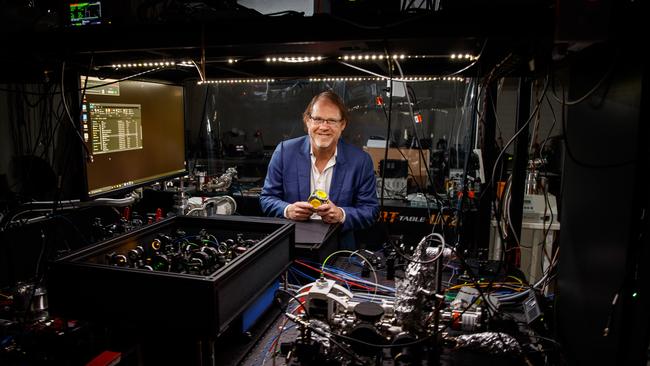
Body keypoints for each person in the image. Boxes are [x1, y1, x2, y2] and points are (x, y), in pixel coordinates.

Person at [260, 91, 379, 249]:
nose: (324, 127)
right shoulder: (284, 152)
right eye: (318, 119)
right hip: (292, 250)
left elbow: (370, 211)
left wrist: (341, 214)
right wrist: (287, 210)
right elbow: (267, 198)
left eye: (331, 121)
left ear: (342, 125)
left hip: (339, 251)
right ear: (308, 121)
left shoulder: (360, 161)